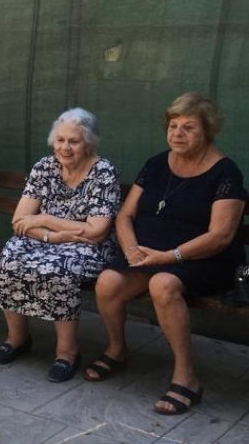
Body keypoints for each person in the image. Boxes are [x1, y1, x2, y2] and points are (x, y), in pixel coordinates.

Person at [93, 93, 247, 413]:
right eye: (173, 125)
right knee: (107, 282)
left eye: (188, 127)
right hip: (150, 254)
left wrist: (170, 257)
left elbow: (221, 236)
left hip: (203, 259)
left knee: (162, 284)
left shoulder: (225, 173)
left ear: (208, 131)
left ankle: (185, 375)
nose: (177, 133)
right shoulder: (155, 164)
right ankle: (118, 349)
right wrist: (131, 249)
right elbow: (125, 216)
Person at [0, 108, 120, 382]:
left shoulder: (103, 172)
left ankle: (67, 352)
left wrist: (45, 219)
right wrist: (51, 235)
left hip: (87, 247)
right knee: (8, 261)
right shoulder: (45, 167)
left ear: (88, 143)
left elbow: (97, 230)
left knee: (58, 270)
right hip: (49, 239)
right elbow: (20, 221)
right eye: (60, 140)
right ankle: (18, 338)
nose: (65, 147)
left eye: (74, 141)